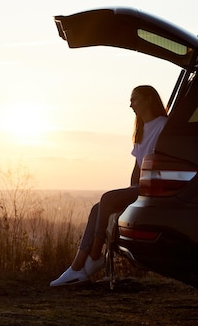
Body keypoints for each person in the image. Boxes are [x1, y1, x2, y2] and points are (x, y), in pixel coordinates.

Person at [50, 85, 168, 287]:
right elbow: (137, 168)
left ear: (149, 99)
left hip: (156, 186)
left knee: (106, 198)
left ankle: (94, 256)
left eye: (135, 99)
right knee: (98, 209)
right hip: (140, 188)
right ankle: (78, 267)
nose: (130, 104)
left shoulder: (164, 125)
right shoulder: (140, 130)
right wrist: (130, 194)